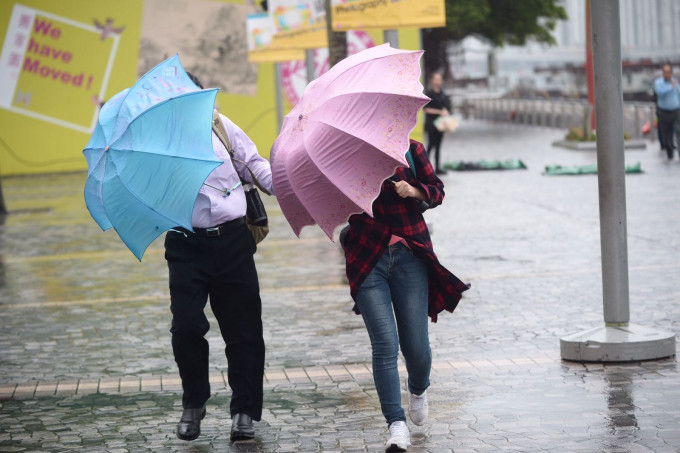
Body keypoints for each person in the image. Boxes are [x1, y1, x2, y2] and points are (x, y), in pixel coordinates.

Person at [165, 72, 274, 442]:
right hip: (185, 243)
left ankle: (244, 411)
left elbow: (254, 163)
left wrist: (284, 185)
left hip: (232, 241)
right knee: (186, 325)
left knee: (244, 330)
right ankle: (193, 402)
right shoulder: (161, 143)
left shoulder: (221, 127)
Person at [341, 139, 469, 452]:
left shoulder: (410, 149)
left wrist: (413, 191)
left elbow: (436, 190)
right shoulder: (346, 153)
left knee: (416, 346)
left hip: (410, 255)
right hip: (367, 256)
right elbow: (338, 205)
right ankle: (396, 425)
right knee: (384, 345)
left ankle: (418, 388)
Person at [423, 73, 451, 174]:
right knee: (431, 145)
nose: (438, 81)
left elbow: (447, 107)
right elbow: (426, 109)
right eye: (436, 79)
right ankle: (425, 167)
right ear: (432, 80)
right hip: (431, 124)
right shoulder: (429, 94)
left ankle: (437, 167)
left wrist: (446, 111)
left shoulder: (443, 94)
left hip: (441, 124)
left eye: (440, 79)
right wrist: (439, 112)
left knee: (439, 146)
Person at [654, 63, 680, 160]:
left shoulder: (675, 82)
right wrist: (671, 87)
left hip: (676, 110)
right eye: (665, 72)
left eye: (668, 72)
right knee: (666, 136)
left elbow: (677, 95)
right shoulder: (658, 83)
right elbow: (660, 93)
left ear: (671, 73)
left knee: (678, 132)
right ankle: (670, 152)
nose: (667, 74)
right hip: (664, 112)